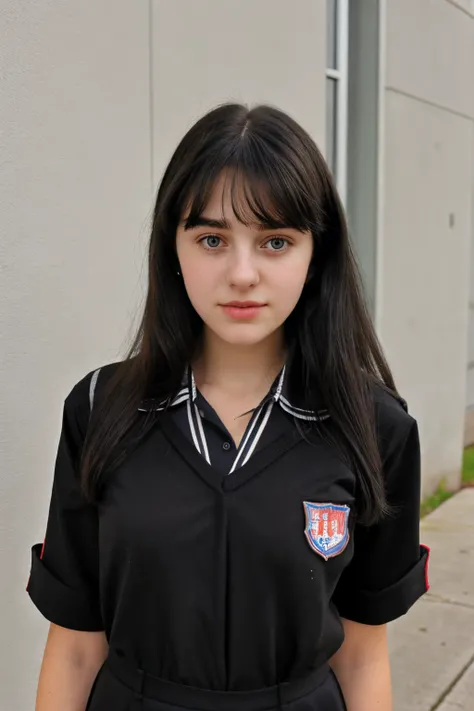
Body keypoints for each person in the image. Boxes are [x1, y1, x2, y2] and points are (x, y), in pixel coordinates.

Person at [26, 102, 430, 711]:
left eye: (275, 241)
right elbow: (77, 644)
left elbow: (363, 653)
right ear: (174, 248)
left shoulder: (375, 427)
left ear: (314, 254)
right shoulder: (98, 408)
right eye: (212, 238)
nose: (243, 274)